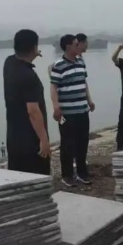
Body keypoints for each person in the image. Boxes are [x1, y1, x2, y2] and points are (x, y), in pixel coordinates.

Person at [3, 29, 50, 175]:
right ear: (34, 47)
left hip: (14, 137)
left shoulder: (9, 63)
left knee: (17, 178)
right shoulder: (28, 76)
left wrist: (32, 53)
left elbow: (21, 58)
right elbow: (33, 111)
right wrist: (43, 139)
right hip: (31, 140)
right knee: (37, 177)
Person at [51, 34, 95, 187]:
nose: (80, 46)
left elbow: (84, 82)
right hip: (67, 113)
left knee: (83, 143)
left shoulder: (81, 62)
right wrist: (56, 106)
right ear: (68, 47)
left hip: (82, 110)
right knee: (67, 145)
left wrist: (89, 100)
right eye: (76, 44)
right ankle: (67, 175)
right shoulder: (58, 65)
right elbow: (53, 87)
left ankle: (82, 173)